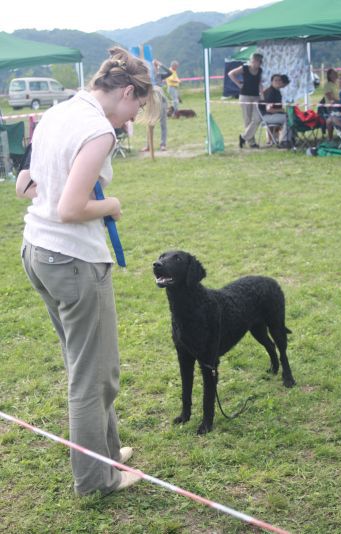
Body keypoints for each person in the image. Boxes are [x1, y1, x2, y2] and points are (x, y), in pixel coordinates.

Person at [16, 47, 159, 497]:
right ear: (126, 91)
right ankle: (96, 481)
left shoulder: (60, 111)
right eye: (136, 107)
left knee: (92, 367)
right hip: (73, 260)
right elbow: (71, 207)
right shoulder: (99, 129)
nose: (132, 119)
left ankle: (107, 454)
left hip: (38, 253)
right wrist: (111, 205)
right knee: (92, 375)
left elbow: (26, 184)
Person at [228, 52, 264, 149]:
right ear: (254, 61)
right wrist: (238, 84)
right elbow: (231, 74)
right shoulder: (244, 68)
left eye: (260, 62)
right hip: (245, 96)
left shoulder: (260, 70)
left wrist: (262, 96)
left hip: (256, 96)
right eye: (258, 62)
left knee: (258, 118)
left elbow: (260, 83)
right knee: (247, 119)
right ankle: (252, 143)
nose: (259, 64)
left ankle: (243, 137)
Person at [141, 59, 171, 152]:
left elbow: (170, 72)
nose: (155, 68)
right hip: (152, 102)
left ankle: (163, 144)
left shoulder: (160, 76)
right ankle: (149, 145)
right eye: (153, 67)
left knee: (163, 124)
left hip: (161, 101)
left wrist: (160, 64)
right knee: (150, 124)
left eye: (156, 67)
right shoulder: (148, 77)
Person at [260, 74, 292, 148]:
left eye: (279, 80)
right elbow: (269, 109)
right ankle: (284, 141)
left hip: (273, 115)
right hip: (266, 116)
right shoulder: (270, 92)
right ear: (271, 82)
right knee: (289, 118)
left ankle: (290, 139)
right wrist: (281, 110)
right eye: (275, 80)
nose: (278, 81)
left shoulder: (277, 91)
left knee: (290, 116)